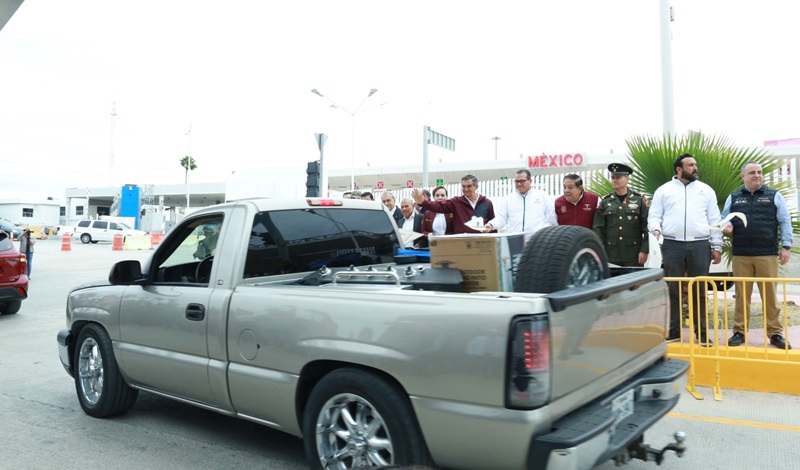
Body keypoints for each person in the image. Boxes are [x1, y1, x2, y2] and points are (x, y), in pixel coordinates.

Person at [648, 154, 723, 344]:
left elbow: (714, 220)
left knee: (700, 290)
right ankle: (674, 331)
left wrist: (717, 246)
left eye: (695, 164)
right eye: (690, 165)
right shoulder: (664, 190)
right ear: (679, 169)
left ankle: (702, 332)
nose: (695, 167)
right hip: (672, 245)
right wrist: (655, 228)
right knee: (672, 289)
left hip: (700, 245)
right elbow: (654, 215)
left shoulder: (706, 190)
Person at [722, 162, 793, 350]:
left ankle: (775, 333)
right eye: (752, 172)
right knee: (741, 296)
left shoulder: (774, 195)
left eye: (759, 172)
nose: (757, 175)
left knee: (770, 296)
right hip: (741, 254)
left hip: (767, 253)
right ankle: (739, 332)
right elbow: (724, 219)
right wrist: (727, 226)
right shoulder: (734, 197)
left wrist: (786, 246)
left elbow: (784, 221)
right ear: (743, 176)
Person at [592, 164, 649, 266]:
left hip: (633, 253)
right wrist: (599, 250)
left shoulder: (639, 200)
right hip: (611, 254)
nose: (614, 180)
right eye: (613, 177)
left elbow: (646, 226)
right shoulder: (605, 201)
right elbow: (598, 229)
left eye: (618, 177)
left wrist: (644, 250)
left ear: (627, 178)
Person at [411, 175, 494, 234]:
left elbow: (492, 224)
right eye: (463, 186)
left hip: (482, 243)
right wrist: (423, 202)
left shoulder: (486, 203)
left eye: (469, 186)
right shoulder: (456, 202)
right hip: (462, 244)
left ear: (476, 187)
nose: (466, 189)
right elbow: (439, 206)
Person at [483, 169, 555, 237]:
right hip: (515, 239)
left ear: (530, 181)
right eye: (516, 181)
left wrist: (542, 233)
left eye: (522, 181)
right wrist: (491, 225)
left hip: (536, 240)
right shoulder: (508, 199)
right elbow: (501, 218)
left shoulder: (542, 196)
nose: (519, 184)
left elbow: (551, 218)